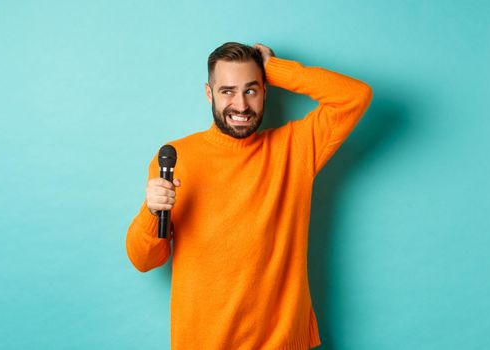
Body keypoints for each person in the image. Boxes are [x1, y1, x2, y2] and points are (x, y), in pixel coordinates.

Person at [126, 42, 372, 350]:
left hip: (280, 342)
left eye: (251, 90)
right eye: (227, 91)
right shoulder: (179, 157)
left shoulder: (295, 148)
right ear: (209, 94)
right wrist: (152, 212)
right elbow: (144, 260)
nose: (241, 106)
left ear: (266, 91)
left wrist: (276, 69)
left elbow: (354, 96)